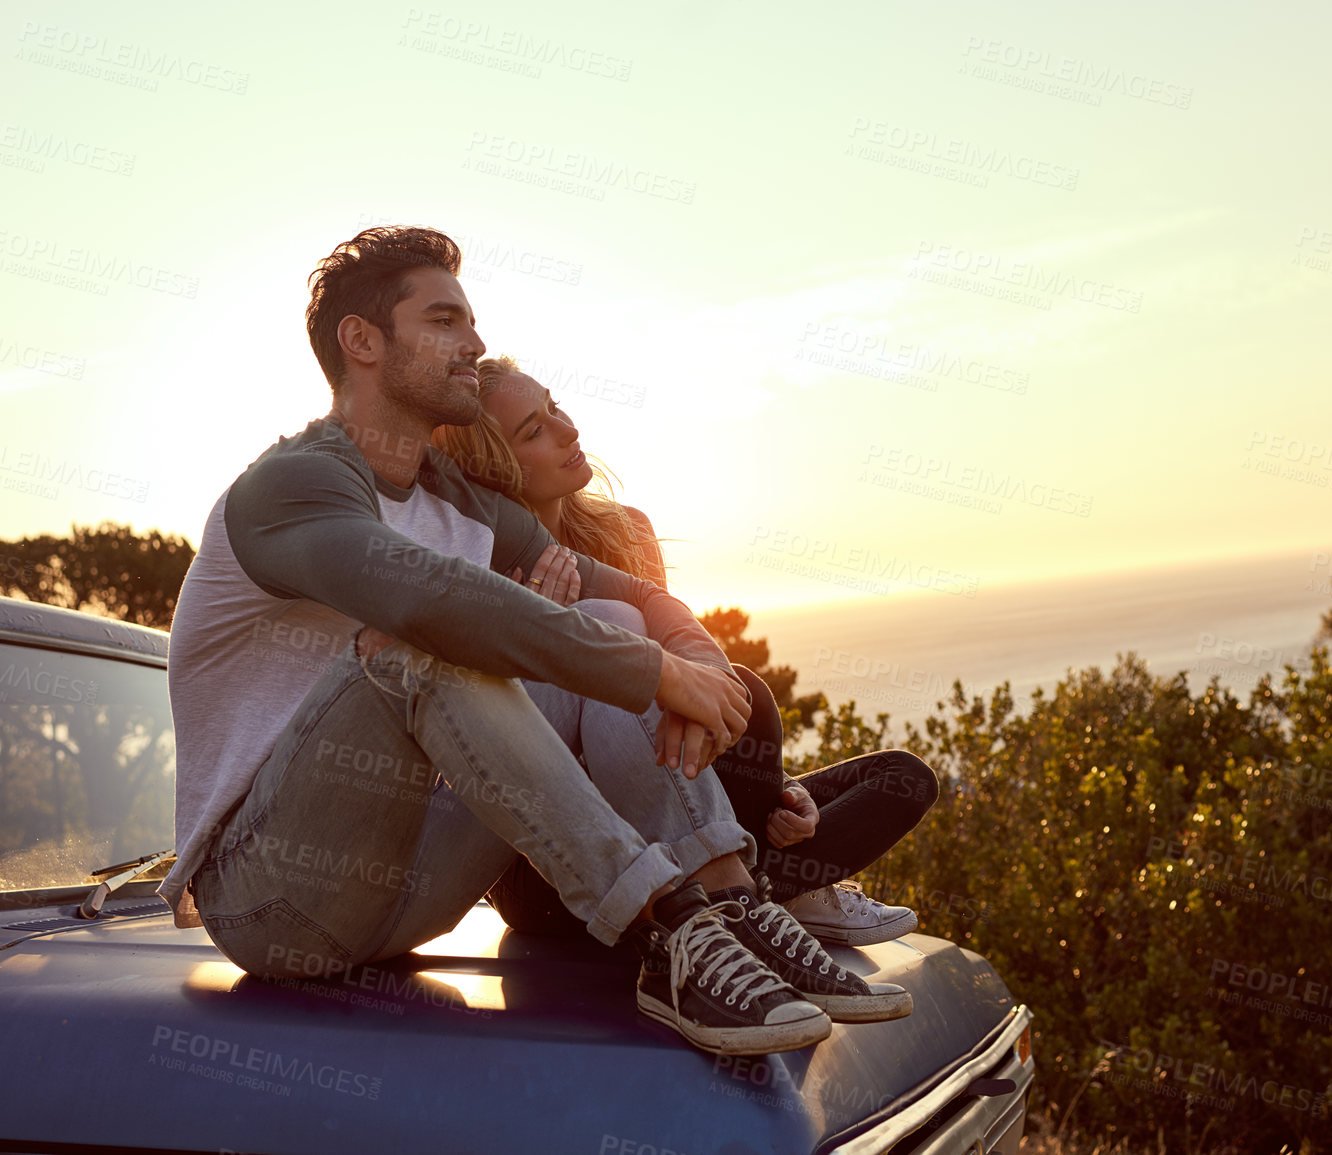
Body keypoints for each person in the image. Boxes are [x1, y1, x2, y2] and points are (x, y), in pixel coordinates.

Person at [159, 226, 908, 1058]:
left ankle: (729, 903)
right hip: (273, 898)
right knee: (417, 644)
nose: (472, 343)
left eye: (470, 322)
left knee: (612, 626)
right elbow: (428, 601)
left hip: (414, 892)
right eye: (443, 320)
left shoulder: (455, 496)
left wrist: (690, 659)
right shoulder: (294, 484)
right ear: (362, 341)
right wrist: (652, 673)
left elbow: (631, 596)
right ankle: (668, 923)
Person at [431, 357, 939, 946]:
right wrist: (531, 634)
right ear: (497, 467)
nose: (568, 429)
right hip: (550, 865)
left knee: (899, 775)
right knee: (736, 694)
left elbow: (671, 707)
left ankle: (758, 884)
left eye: (553, 406)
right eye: (534, 430)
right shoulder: (477, 558)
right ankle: (778, 894)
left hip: (670, 799)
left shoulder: (626, 532)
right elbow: (489, 745)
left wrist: (776, 789)